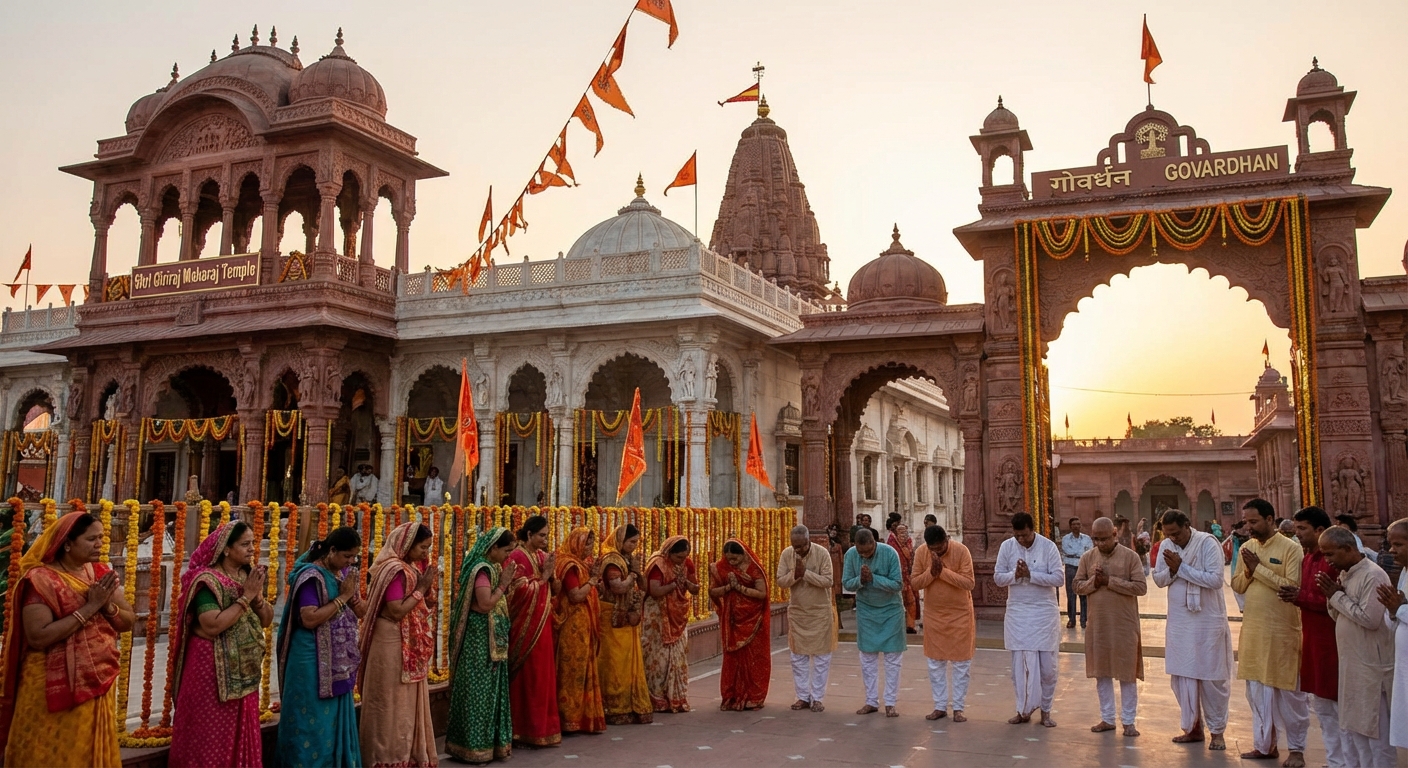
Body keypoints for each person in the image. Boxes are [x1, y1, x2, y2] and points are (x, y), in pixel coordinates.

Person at [0, 511, 134, 768]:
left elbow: (127, 621)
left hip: (97, 680)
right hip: (50, 687)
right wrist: (90, 607)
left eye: (101, 538)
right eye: (92, 538)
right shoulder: (40, 580)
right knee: (49, 753)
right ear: (67, 543)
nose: (99, 544)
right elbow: (38, 636)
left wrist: (107, 608)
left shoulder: (99, 573)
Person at [169, 522, 273, 768]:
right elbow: (212, 625)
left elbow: (267, 620)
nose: (251, 549)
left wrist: (256, 599)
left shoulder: (246, 575)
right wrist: (246, 597)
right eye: (244, 544)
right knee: (210, 737)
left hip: (243, 674)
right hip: (211, 672)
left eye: (252, 544)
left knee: (240, 731)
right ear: (226, 549)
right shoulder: (207, 581)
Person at [277, 526, 367, 768]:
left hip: (336, 661)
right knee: (310, 719)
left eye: (354, 557)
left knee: (332, 720)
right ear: (332, 550)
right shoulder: (311, 576)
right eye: (347, 556)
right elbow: (309, 619)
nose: (351, 561)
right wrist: (343, 598)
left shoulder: (342, 573)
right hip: (310, 658)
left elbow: (360, 610)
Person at [356, 522, 440, 768]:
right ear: (407, 545)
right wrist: (422, 588)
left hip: (406, 642)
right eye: (423, 548)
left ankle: (407, 756)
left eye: (428, 548)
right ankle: (384, 758)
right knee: (389, 702)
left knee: (405, 702)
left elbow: (426, 604)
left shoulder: (410, 567)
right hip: (390, 640)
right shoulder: (395, 570)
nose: (426, 553)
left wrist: (425, 586)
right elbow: (394, 611)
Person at [1231, 498, 1307, 764]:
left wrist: (1258, 569)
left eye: (1254, 522)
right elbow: (1238, 585)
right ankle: (1265, 746)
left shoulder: (1291, 549)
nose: (1249, 527)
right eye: (1246, 522)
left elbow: (1291, 587)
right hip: (1254, 631)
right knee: (1257, 693)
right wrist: (1251, 572)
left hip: (1282, 632)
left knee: (1290, 696)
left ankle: (1296, 750)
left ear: (1270, 520)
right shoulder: (1247, 549)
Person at [1153, 509, 1234, 752]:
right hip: (1180, 622)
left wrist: (1181, 568)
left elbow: (1215, 580)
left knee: (1212, 677)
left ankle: (1217, 732)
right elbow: (1158, 579)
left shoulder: (1208, 543)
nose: (1173, 539)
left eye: (1176, 533)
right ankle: (1193, 728)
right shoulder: (1166, 545)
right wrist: (1173, 570)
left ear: (1188, 525)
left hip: (1207, 622)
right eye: (1168, 535)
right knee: (1183, 676)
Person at [1318, 525, 1394, 767]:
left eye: (1330, 554)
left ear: (1349, 549)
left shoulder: (1373, 575)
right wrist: (1334, 597)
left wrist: (1336, 596)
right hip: (1353, 666)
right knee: (1357, 733)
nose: (1327, 561)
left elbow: (1369, 620)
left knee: (1376, 736)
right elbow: (1341, 616)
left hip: (1372, 668)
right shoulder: (1346, 573)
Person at [1279, 507, 1349, 768]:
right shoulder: (1309, 559)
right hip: (1313, 639)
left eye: (1302, 529)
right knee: (1323, 708)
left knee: (1337, 707)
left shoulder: (1332, 561)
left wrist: (1298, 597)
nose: (1296, 534)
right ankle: (1335, 760)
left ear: (1320, 530)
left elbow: (1333, 601)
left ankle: (1344, 761)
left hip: (1331, 642)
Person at [446, 527, 519, 764]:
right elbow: (485, 603)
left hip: (490, 641)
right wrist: (504, 584)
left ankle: (488, 746)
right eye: (506, 550)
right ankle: (473, 747)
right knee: (478, 692)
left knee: (488, 692)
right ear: (493, 548)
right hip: (479, 641)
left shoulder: (491, 566)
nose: (507, 556)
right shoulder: (482, 570)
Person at [1074, 517, 1146, 738]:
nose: (1100, 544)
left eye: (1104, 539)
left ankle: (1129, 722)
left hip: (1124, 625)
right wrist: (1093, 583)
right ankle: (1107, 718)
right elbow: (1076, 585)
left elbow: (1141, 587)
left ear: (1114, 535)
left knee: (1127, 674)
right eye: (1096, 539)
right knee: (1102, 673)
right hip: (1099, 625)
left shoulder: (1130, 556)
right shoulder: (1087, 558)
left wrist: (1110, 581)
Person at [994, 512, 1064, 727]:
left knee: (1047, 668)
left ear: (1033, 530)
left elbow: (1059, 578)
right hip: (1018, 613)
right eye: (1017, 536)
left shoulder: (1048, 547)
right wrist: (1015, 575)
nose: (1021, 540)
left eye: (1025, 535)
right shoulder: (1007, 547)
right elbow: (998, 577)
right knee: (1019, 668)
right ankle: (1022, 710)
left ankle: (1046, 710)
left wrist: (1030, 575)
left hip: (1044, 614)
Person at [909, 524, 974, 723]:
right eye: (933, 550)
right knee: (935, 663)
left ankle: (959, 708)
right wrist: (931, 573)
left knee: (961, 663)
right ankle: (939, 706)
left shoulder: (961, 551)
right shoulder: (922, 552)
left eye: (940, 548)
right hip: (934, 615)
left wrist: (942, 572)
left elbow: (969, 583)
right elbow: (915, 583)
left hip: (960, 614)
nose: (936, 552)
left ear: (947, 539)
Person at [506, 516, 561, 747]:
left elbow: (555, 591)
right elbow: (517, 592)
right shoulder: (516, 557)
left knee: (543, 677)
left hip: (543, 625)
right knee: (528, 679)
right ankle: (522, 731)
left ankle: (543, 730)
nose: (545, 540)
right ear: (528, 534)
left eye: (547, 535)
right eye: (541, 535)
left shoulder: (541, 556)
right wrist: (544, 576)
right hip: (525, 629)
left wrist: (552, 573)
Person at [842, 528, 905, 717]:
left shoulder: (889, 553)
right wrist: (860, 580)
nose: (864, 556)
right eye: (860, 552)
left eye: (868, 552)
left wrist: (874, 579)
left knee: (892, 659)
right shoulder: (851, 555)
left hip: (891, 610)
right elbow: (846, 583)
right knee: (867, 658)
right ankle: (871, 701)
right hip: (867, 610)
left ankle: (891, 703)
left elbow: (897, 584)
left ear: (874, 543)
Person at [595, 524, 653, 724]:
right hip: (611, 617)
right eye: (631, 542)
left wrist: (638, 573)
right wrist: (633, 575)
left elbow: (644, 586)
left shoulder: (628, 560)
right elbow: (618, 587)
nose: (634, 546)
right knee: (614, 663)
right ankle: (613, 708)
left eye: (637, 542)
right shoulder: (611, 560)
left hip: (627, 617)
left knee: (627, 662)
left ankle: (629, 706)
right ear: (621, 540)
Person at [776, 525, 837, 713]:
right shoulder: (787, 554)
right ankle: (802, 696)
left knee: (821, 657)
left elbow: (828, 581)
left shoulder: (822, 553)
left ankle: (817, 698)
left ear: (808, 540)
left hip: (820, 611)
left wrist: (806, 574)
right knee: (798, 657)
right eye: (795, 547)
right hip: (798, 611)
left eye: (802, 546)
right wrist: (795, 575)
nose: (799, 550)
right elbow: (780, 581)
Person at [554, 527, 606, 733]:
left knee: (582, 671)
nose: (590, 547)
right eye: (586, 543)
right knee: (571, 673)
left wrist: (594, 582)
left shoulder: (580, 565)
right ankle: (569, 718)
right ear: (576, 543)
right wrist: (592, 581)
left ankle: (581, 717)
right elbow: (575, 595)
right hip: (572, 629)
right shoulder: (569, 565)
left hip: (583, 627)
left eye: (592, 543)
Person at [709, 539, 771, 711]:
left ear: (743, 554)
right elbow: (712, 591)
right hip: (732, 622)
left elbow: (761, 594)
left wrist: (740, 588)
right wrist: (729, 587)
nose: (731, 563)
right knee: (732, 660)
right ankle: (731, 696)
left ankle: (754, 696)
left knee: (754, 659)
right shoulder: (720, 567)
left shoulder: (754, 568)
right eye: (728, 559)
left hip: (754, 620)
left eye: (735, 559)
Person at [643, 536, 698, 713]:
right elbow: (654, 590)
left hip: (678, 616)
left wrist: (688, 584)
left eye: (685, 557)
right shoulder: (658, 564)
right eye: (679, 558)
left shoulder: (687, 563)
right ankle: (658, 699)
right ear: (669, 553)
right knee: (658, 659)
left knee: (678, 655)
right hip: (657, 616)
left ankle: (675, 697)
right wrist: (674, 585)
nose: (682, 561)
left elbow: (695, 588)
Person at [1377, 518, 1408, 750]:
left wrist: (1400, 609)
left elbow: (1402, 608)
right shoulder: (1404, 572)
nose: (1391, 550)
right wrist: (1393, 611)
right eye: (1390, 544)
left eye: (1398, 545)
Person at [1060, 517, 1093, 629]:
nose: (1076, 526)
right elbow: (1067, 551)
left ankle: (1084, 620)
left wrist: (1078, 554)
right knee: (1071, 595)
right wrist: (1081, 552)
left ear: (1080, 526)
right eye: (1074, 524)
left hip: (1083, 568)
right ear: (1070, 526)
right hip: (1070, 568)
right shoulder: (1065, 539)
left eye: (1078, 524)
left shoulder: (1087, 538)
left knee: (1084, 594)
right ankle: (1071, 620)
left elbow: (1090, 552)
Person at [887, 523, 919, 633]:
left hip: (908, 578)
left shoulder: (909, 544)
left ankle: (911, 625)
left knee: (911, 601)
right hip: (895, 579)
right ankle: (896, 625)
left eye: (905, 532)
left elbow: (913, 560)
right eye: (901, 532)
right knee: (896, 603)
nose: (904, 535)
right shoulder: (892, 546)